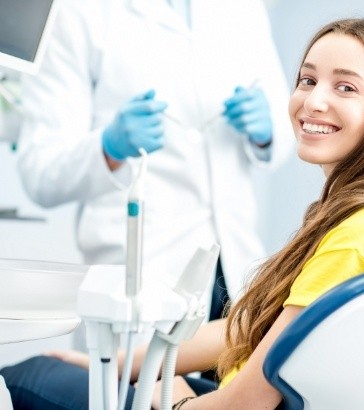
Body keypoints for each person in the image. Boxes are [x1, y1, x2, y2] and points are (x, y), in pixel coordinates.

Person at [2, 18, 364, 409]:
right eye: (307, 80)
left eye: (345, 88)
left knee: (25, 378)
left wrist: (173, 399)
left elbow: (245, 401)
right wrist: (117, 364)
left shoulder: (354, 240)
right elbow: (252, 328)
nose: (313, 100)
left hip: (226, 353)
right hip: (156, 268)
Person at [15, 0, 294, 322]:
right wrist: (108, 148)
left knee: (234, 365)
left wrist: (267, 131)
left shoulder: (243, 9)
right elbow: (41, 170)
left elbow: (284, 134)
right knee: (137, 370)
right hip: (141, 274)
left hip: (236, 268)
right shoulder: (77, 11)